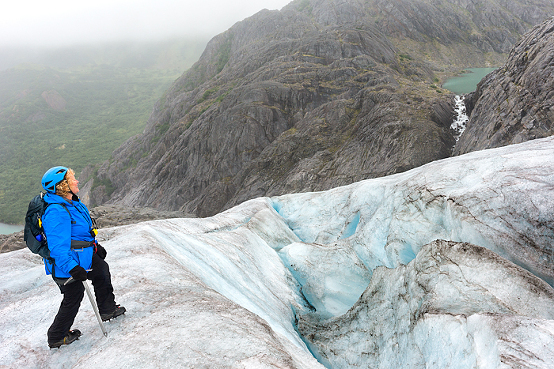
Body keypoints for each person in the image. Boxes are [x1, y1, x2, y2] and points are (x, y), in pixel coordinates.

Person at [41, 166, 125, 348]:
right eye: (72, 179)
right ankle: (56, 335)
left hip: (83, 255)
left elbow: (81, 233)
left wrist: (95, 246)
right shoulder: (56, 211)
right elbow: (56, 247)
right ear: (62, 186)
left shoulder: (73, 203)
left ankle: (107, 309)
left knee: (101, 270)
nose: (77, 181)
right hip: (66, 262)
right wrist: (71, 267)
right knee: (74, 294)